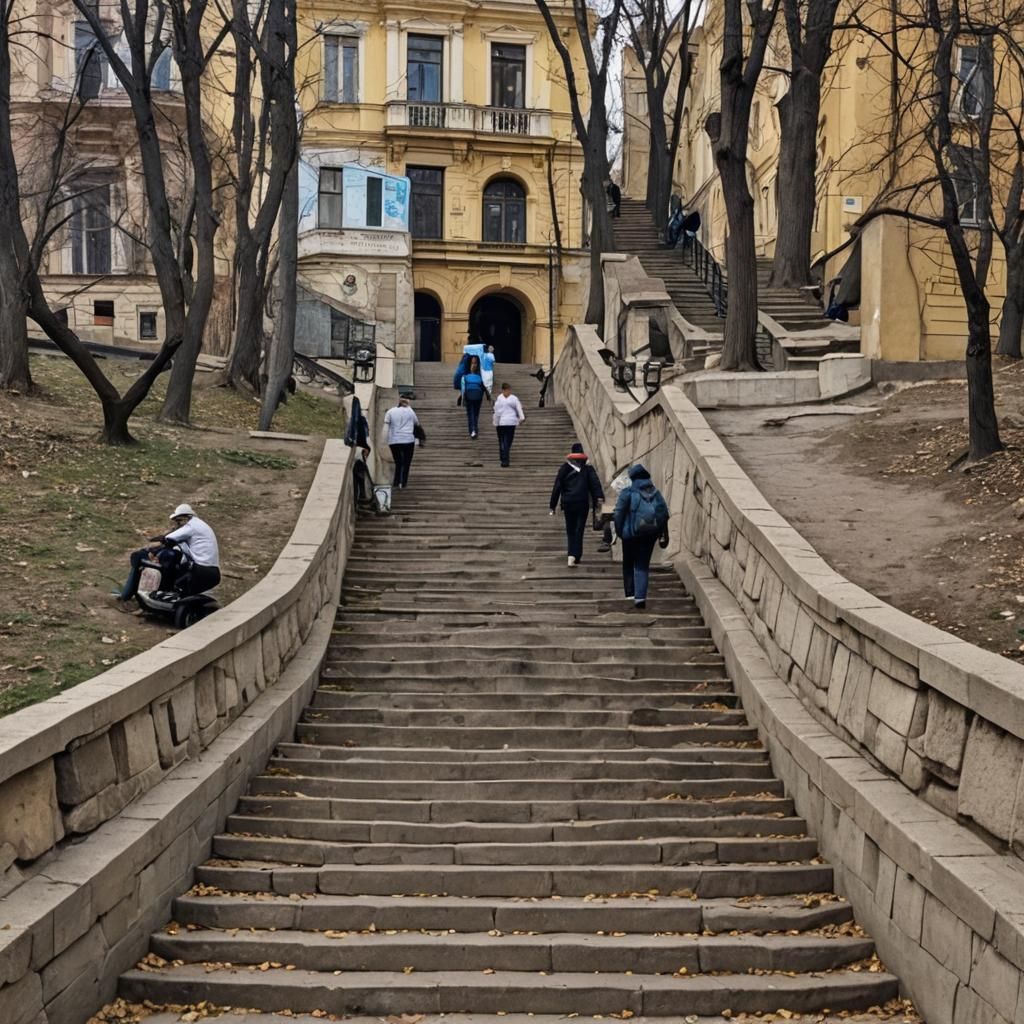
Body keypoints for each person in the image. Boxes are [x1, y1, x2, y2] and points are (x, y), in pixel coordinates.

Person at [116, 503, 220, 606]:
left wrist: (151, 549)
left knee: (151, 558)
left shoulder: (191, 526)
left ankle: (127, 596)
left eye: (179, 521)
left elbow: (168, 539)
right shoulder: (198, 526)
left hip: (200, 569)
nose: (177, 524)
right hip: (210, 571)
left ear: (187, 517)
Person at [613, 465, 669, 609]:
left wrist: (620, 532)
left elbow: (618, 514)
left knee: (628, 564)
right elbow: (663, 514)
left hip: (630, 535)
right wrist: (658, 532)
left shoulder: (628, 492)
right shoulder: (656, 493)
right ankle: (640, 597)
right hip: (649, 535)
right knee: (642, 565)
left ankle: (630, 594)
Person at [549, 443, 604, 567]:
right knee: (579, 529)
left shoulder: (564, 468)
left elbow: (557, 487)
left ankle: (570, 555)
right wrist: (598, 500)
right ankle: (576, 555)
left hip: (568, 502)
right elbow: (595, 485)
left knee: (570, 529)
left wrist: (552, 505)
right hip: (582, 502)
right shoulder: (588, 469)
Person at [383, 395, 420, 488]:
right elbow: (417, 424)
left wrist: (384, 439)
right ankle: (403, 483)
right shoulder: (411, 412)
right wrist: (417, 439)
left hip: (394, 441)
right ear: (407, 402)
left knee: (398, 461)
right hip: (408, 440)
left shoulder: (390, 411)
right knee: (406, 462)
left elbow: (386, 427)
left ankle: (396, 482)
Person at [492, 382, 525, 467]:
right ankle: (505, 459)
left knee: (503, 441)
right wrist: (521, 418)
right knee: (506, 441)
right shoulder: (513, 399)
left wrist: (495, 422)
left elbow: (496, 412)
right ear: (504, 390)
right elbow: (519, 409)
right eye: (507, 390)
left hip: (503, 422)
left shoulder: (500, 399)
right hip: (508, 422)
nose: (508, 391)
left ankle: (503, 457)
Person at [460, 355, 486, 439]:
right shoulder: (479, 377)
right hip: (478, 397)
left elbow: (463, 389)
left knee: (470, 414)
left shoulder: (465, 377)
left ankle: (472, 430)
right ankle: (475, 429)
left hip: (469, 396)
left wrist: (462, 399)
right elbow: (483, 388)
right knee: (475, 414)